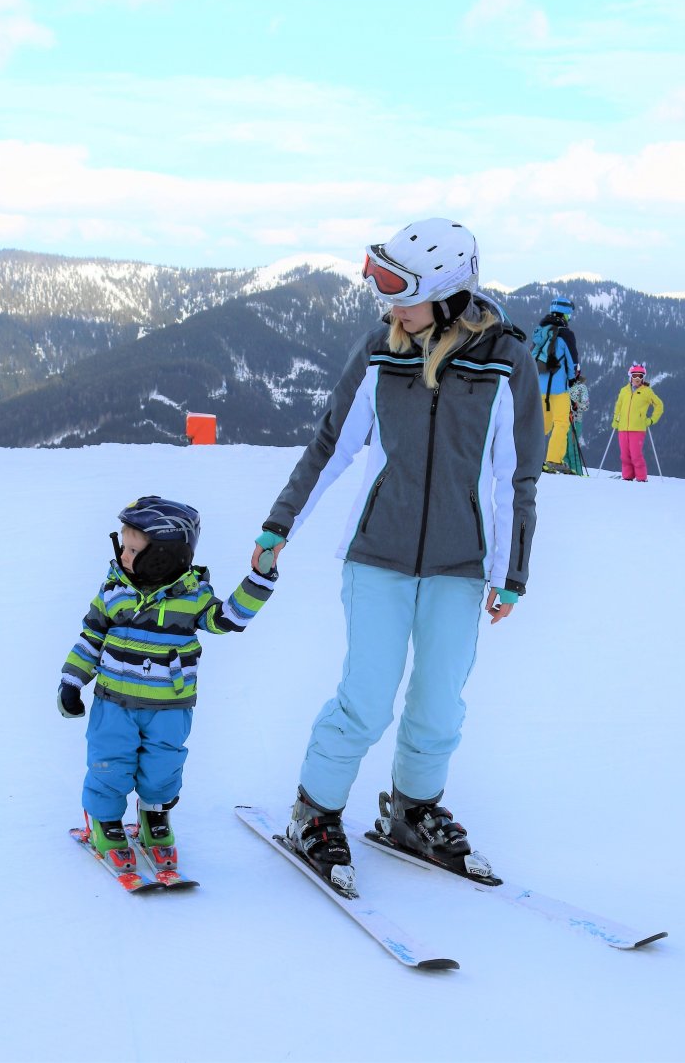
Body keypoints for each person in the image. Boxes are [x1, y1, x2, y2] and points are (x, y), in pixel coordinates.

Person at [251, 217, 545, 894]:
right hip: (377, 556)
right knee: (366, 698)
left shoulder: (506, 360)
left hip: (460, 567)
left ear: (447, 293)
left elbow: (514, 476)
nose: (389, 307)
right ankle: (314, 813)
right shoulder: (380, 354)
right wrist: (279, 524)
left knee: (440, 702)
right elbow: (331, 446)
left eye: (401, 292)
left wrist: (512, 572)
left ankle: (414, 812)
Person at [59, 495, 277, 870]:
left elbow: (229, 619)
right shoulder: (114, 591)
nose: (123, 556)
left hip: (170, 708)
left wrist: (258, 579)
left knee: (164, 767)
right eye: (123, 547)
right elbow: (90, 638)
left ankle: (154, 816)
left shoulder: (192, 597)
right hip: (114, 706)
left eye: (132, 549)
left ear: (163, 555)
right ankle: (106, 821)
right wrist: (71, 681)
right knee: (109, 764)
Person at [531, 297, 579, 473]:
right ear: (567, 314)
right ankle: (553, 460)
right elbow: (573, 361)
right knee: (561, 423)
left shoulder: (542, 330)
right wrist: (573, 379)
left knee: (542, 424)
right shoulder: (566, 334)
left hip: (539, 385)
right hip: (558, 388)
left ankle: (529, 456)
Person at [610, 363, 664, 482]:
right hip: (623, 428)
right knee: (624, 455)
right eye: (635, 376)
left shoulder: (647, 391)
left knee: (636, 455)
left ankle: (641, 478)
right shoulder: (624, 390)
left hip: (638, 428)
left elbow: (659, 405)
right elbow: (618, 406)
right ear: (630, 377)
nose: (637, 379)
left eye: (640, 376)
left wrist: (651, 420)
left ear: (643, 378)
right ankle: (627, 476)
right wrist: (615, 419)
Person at [565, 369, 590, 475]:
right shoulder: (562, 385)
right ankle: (565, 471)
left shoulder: (581, 387)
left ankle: (577, 473)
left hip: (575, 421)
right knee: (562, 449)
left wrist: (576, 405)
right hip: (560, 421)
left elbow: (586, 406)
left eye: (575, 372)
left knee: (573, 448)